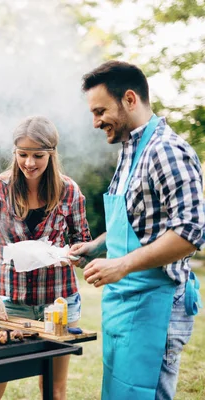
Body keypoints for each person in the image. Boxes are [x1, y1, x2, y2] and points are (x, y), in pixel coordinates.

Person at [71, 60, 204, 400]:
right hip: (125, 305)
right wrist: (98, 246)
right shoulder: (130, 152)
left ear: (129, 99)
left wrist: (122, 264)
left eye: (100, 111)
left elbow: (190, 232)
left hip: (156, 307)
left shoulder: (166, 151)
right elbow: (137, 223)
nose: (96, 121)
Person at [0, 116, 92, 400]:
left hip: (60, 303)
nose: (30, 163)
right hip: (12, 302)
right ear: (15, 153)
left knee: (54, 389)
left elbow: (82, 241)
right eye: (23, 154)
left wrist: (73, 255)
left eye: (38, 155)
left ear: (52, 154)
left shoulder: (69, 191)